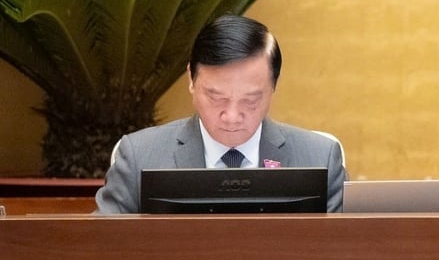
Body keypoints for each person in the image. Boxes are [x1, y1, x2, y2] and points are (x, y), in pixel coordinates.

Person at [95, 15, 346, 213]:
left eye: (250, 100)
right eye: (216, 98)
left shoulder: (320, 158)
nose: (232, 116)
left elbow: (345, 250)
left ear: (274, 86)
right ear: (191, 80)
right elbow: (102, 247)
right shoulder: (139, 156)